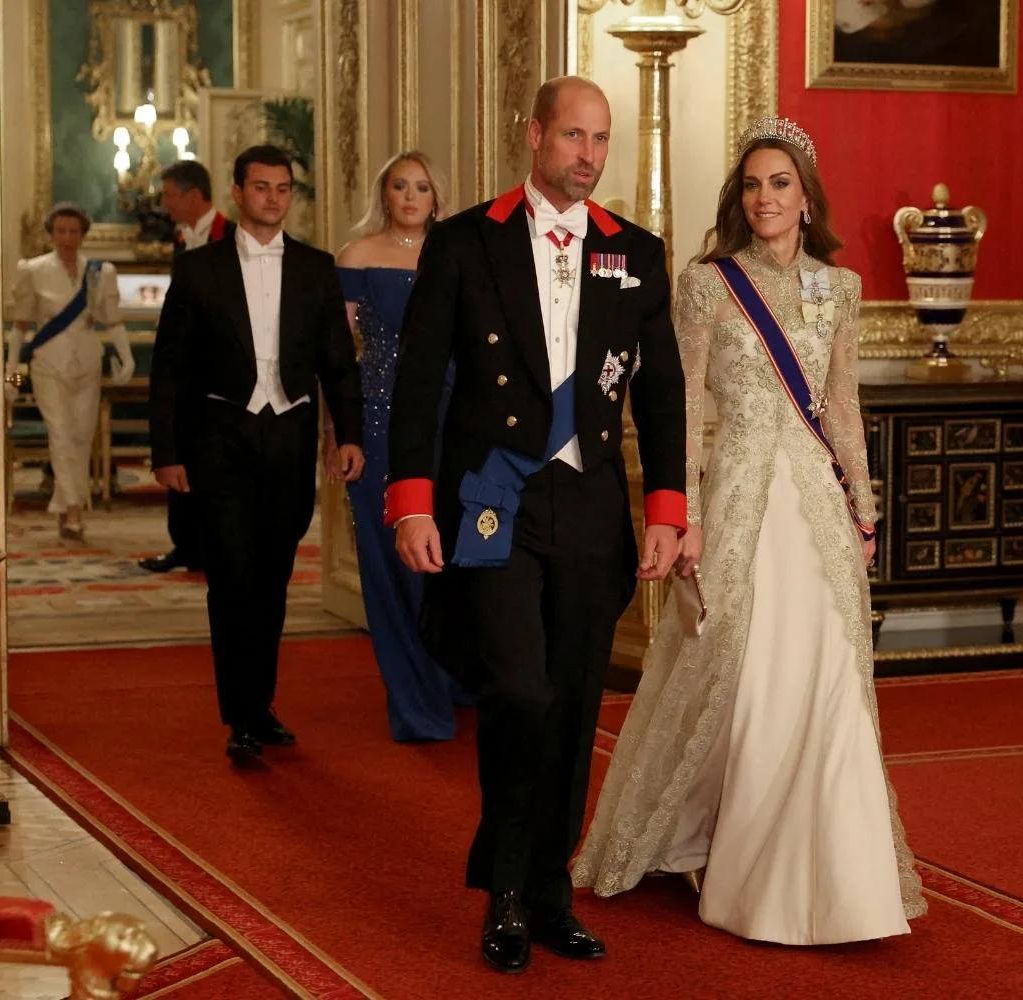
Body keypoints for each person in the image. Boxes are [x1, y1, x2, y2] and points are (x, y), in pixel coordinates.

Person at [571, 117, 927, 944]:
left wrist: (864, 509)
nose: (765, 198)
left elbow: (844, 405)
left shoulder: (839, 288)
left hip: (818, 509)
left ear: (807, 199)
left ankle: (842, 877)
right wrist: (683, 516)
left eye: (780, 184)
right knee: (750, 680)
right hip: (738, 502)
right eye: (753, 185)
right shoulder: (707, 286)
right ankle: (728, 853)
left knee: (827, 681)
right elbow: (683, 407)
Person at [386, 77, 685, 974]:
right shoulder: (465, 241)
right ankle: (506, 890)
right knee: (519, 692)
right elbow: (417, 381)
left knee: (575, 703)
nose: (588, 155)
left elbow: (662, 394)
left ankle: (548, 891)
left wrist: (666, 509)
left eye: (600, 139)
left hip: (589, 506)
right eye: (573, 136)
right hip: (494, 503)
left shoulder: (635, 251)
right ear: (534, 135)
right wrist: (411, 501)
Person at [148, 145, 364, 766]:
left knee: (272, 577)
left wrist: (348, 434)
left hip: (289, 438)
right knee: (232, 577)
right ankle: (241, 715)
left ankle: (260, 704)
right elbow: (170, 368)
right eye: (261, 187)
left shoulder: (317, 268)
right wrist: (167, 451)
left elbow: (337, 363)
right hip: (220, 438)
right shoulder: (198, 269)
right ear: (238, 192)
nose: (273, 198)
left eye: (282, 188)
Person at [334, 151, 463, 742]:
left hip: (450, 419)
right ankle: (415, 700)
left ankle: (454, 678)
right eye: (400, 186)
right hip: (379, 421)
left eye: (422, 187)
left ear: (436, 197)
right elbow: (338, 357)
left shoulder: (455, 252)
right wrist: (341, 433)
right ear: (384, 194)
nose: (411, 197)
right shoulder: (357, 257)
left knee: (451, 555)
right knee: (392, 561)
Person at [8, 203, 135, 540]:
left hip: (87, 362)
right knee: (61, 433)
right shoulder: (33, 270)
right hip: (48, 364)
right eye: (60, 231)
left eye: (73, 231)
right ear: (51, 234)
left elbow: (113, 320)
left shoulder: (100, 272)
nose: (67, 237)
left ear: (83, 235)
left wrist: (127, 359)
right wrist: (10, 374)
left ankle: (64, 505)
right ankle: (75, 510)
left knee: (80, 436)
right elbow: (20, 326)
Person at [139, 159, 238, 574]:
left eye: (169, 195)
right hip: (187, 367)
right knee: (180, 450)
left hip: (222, 367)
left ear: (194, 195)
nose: (164, 204)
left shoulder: (232, 235)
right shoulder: (181, 238)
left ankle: (217, 546)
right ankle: (185, 544)